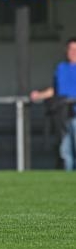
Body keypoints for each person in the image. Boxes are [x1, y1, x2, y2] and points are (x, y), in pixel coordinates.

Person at [30, 37, 76, 171]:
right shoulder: (61, 69)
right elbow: (55, 90)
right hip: (63, 114)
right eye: (71, 49)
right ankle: (69, 182)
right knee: (65, 151)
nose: (73, 52)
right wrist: (39, 95)